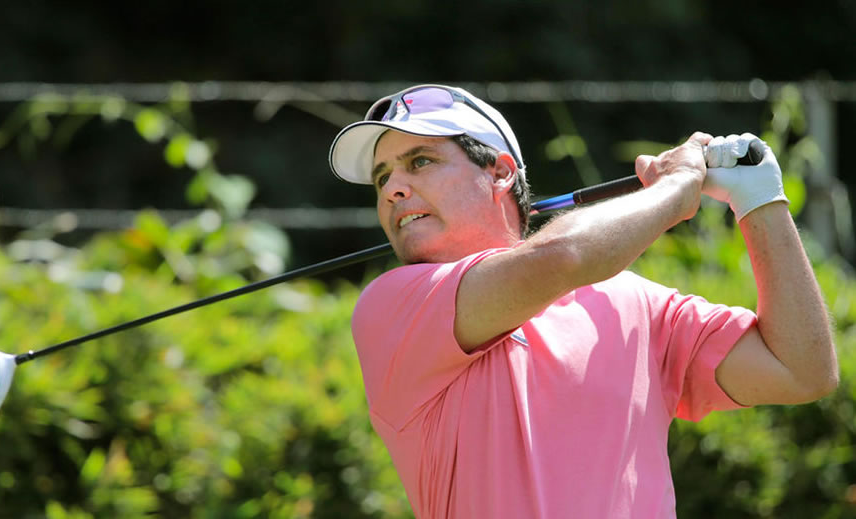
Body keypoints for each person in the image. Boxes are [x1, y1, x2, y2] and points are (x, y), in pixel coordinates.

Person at [327, 84, 838, 518]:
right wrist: (678, 188)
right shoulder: (391, 308)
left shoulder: (637, 305)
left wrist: (761, 202)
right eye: (383, 177)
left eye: (420, 162)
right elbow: (564, 257)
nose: (393, 189)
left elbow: (802, 369)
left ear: (500, 173)